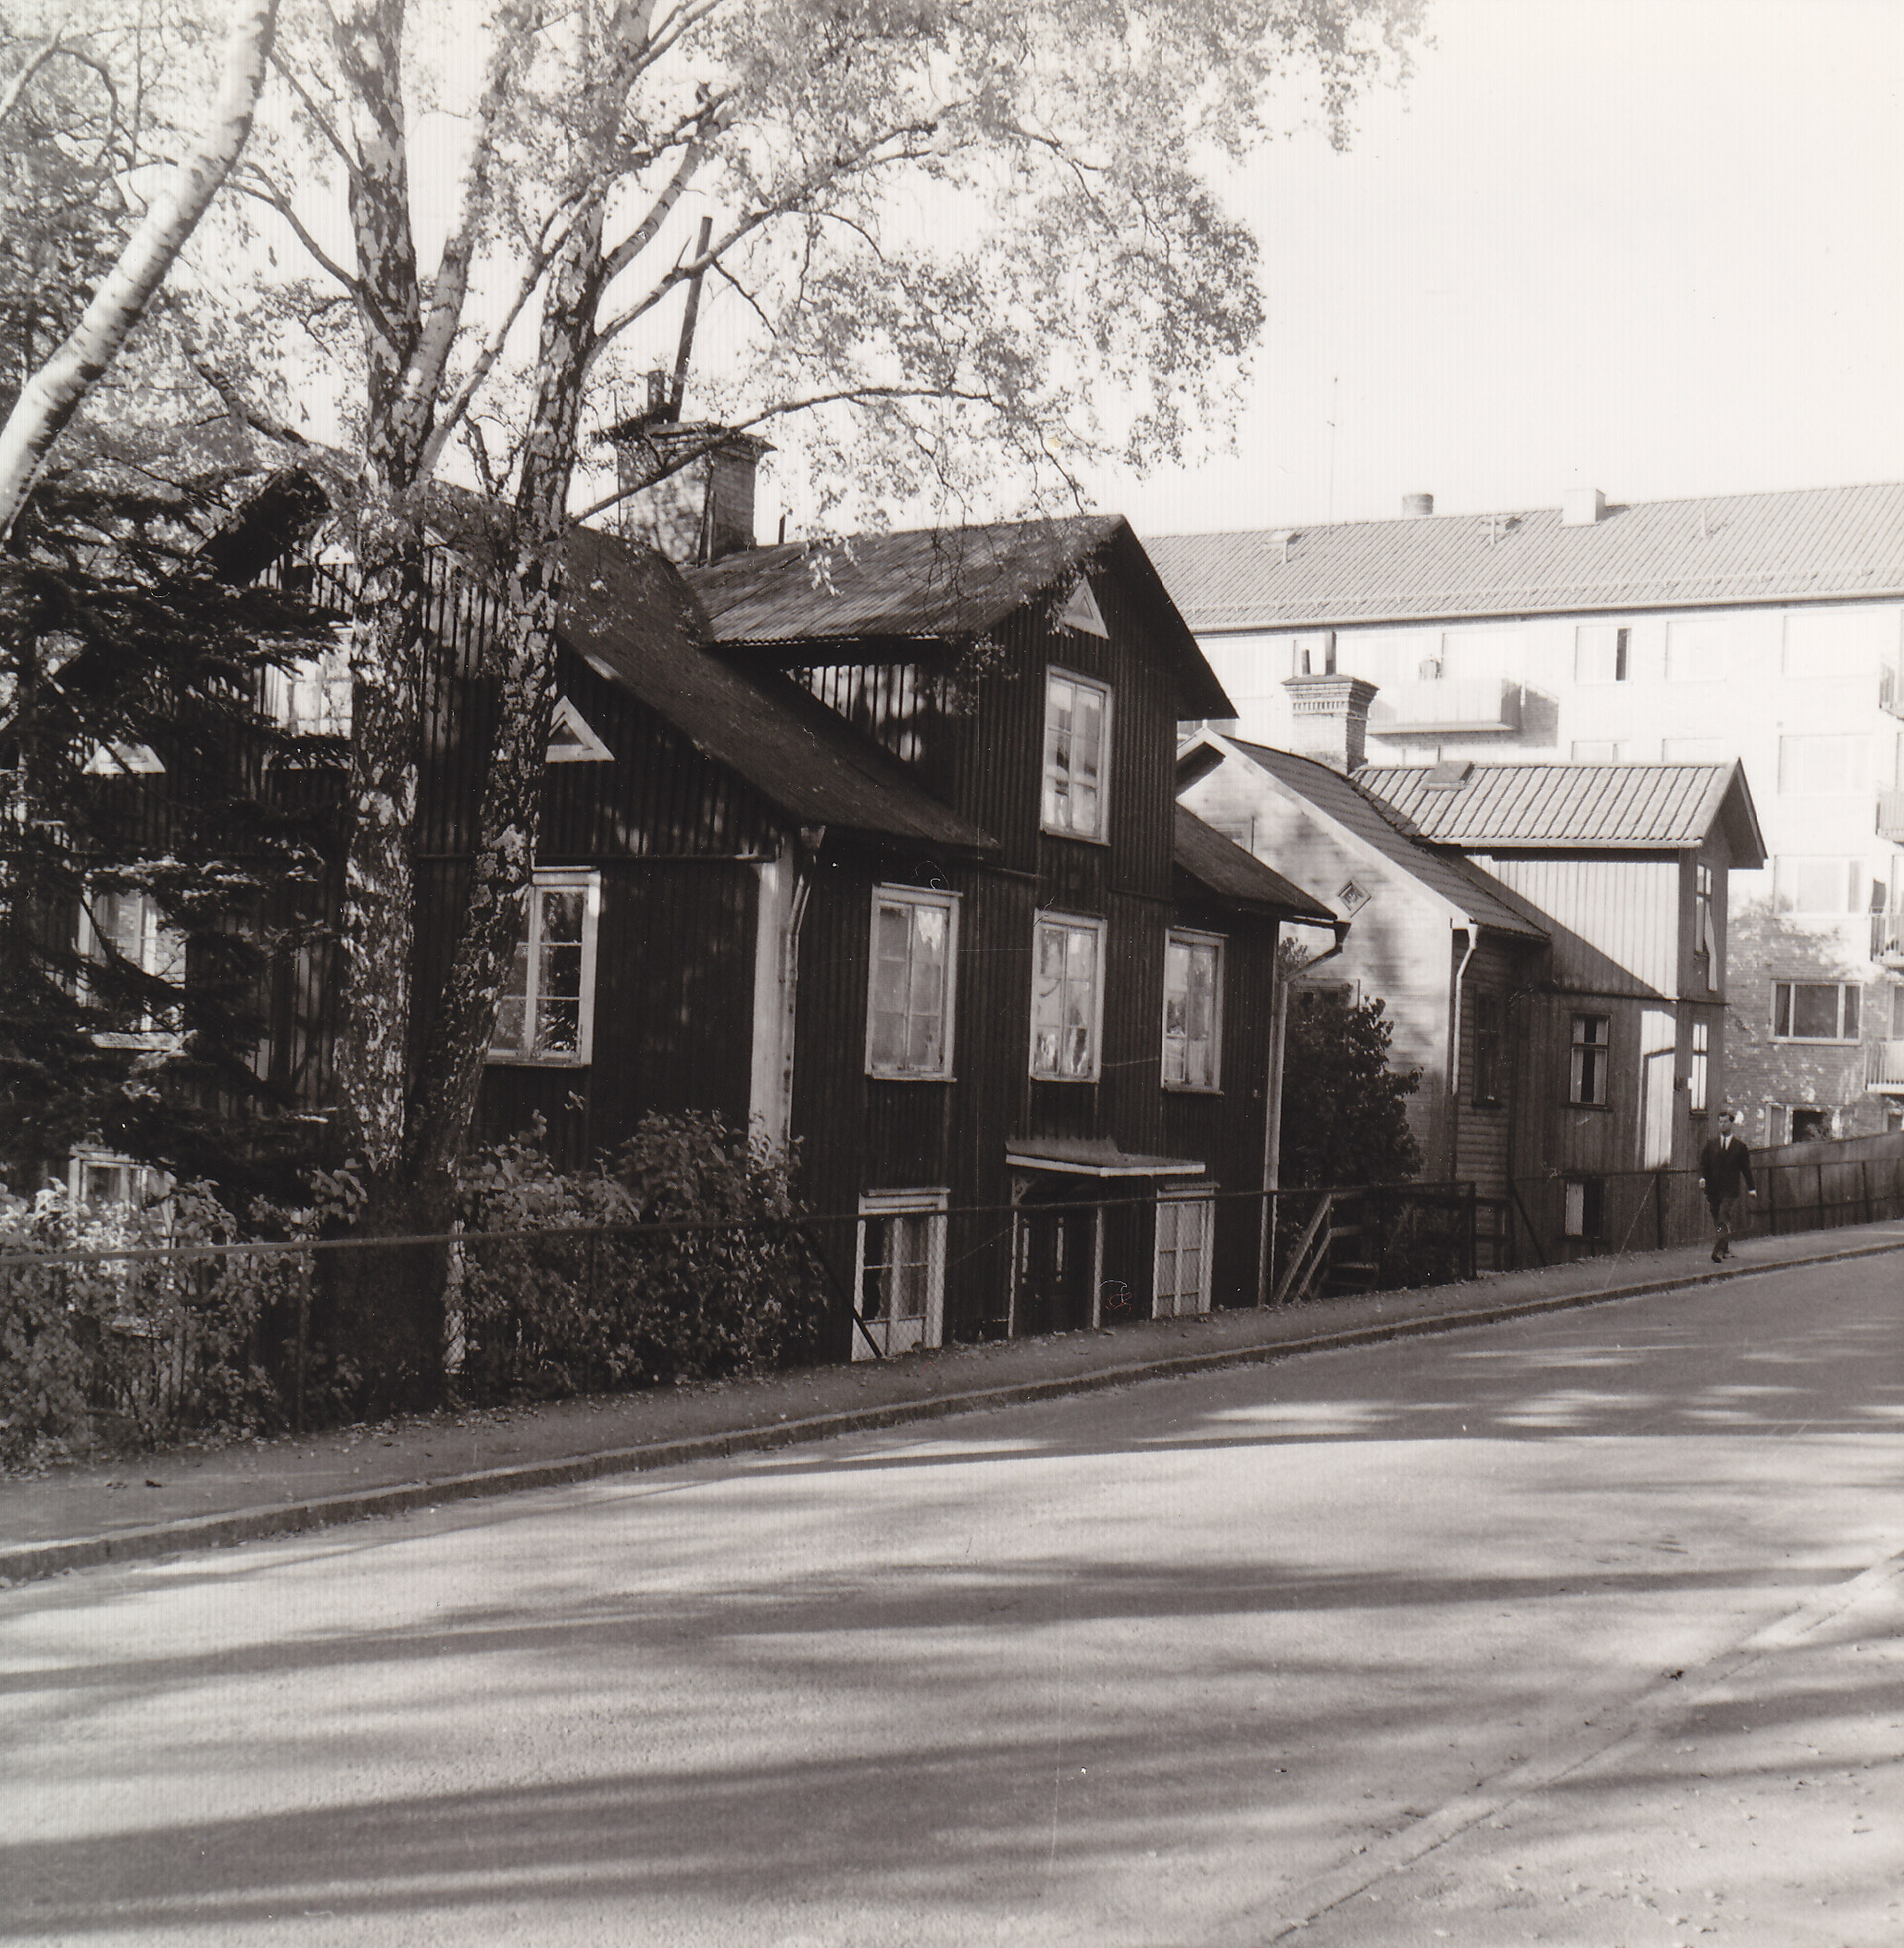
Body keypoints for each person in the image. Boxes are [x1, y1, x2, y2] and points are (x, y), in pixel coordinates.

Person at [1697, 1109, 1756, 1262]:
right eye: (1720, 1122)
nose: (1722, 1125)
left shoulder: (1740, 1147)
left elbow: (1746, 1169)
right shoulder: (1711, 1145)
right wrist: (1702, 1177)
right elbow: (1703, 1164)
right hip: (1713, 1189)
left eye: (1725, 1122)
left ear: (1731, 1123)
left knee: (1723, 1216)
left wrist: (1752, 1188)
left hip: (1730, 1190)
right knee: (1718, 1219)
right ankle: (1725, 1248)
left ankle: (1717, 1251)